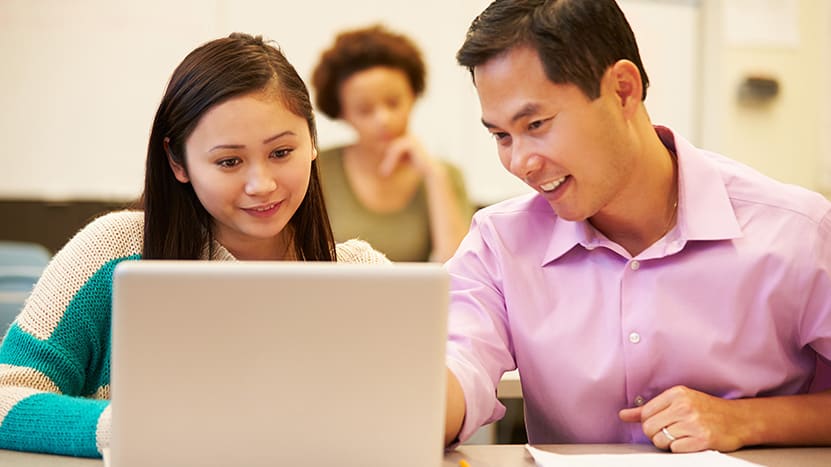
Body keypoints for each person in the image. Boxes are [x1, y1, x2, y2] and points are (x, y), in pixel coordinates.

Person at [443, 0, 831, 453]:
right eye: (502, 136)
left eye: (536, 123)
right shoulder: (499, 244)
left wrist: (749, 420)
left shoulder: (796, 231)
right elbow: (458, 365)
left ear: (623, 91)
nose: (520, 162)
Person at [0, 33, 388, 458]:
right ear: (178, 161)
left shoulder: (360, 272)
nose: (262, 184)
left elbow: (429, 401)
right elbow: (5, 395)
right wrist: (127, 429)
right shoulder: (113, 251)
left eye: (281, 152)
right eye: (229, 161)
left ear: (312, 142)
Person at [310, 25, 475, 262]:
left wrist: (433, 177)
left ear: (413, 96)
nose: (383, 120)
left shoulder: (444, 176)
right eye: (365, 110)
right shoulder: (317, 170)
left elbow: (459, 273)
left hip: (416, 300)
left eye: (394, 102)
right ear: (342, 113)